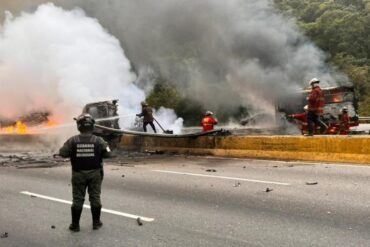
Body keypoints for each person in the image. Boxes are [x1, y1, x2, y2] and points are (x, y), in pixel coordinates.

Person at [59, 113, 111, 232]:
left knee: (78, 199)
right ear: (92, 126)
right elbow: (108, 153)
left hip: (78, 174)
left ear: (79, 126)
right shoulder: (99, 140)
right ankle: (96, 223)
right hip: (95, 174)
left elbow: (62, 153)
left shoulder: (73, 140)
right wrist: (104, 148)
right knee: (95, 198)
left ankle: (75, 225)